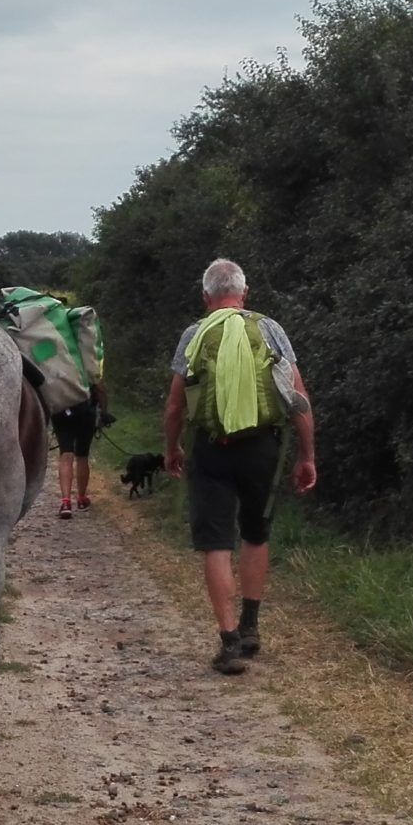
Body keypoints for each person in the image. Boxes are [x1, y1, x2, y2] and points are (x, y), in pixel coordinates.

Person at [162, 258, 316, 675]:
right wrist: (307, 456)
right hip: (261, 448)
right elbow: (296, 396)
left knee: (216, 543)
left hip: (211, 449)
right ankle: (251, 627)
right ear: (244, 294)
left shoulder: (195, 334)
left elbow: (176, 404)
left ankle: (228, 642)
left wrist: (171, 448)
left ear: (206, 296)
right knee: (255, 534)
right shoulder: (269, 329)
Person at [51, 384, 110, 519]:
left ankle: (66, 503)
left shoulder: (60, 362)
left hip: (61, 409)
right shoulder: (89, 362)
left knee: (66, 454)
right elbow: (99, 386)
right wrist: (104, 412)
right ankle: (82, 499)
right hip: (85, 409)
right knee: (82, 456)